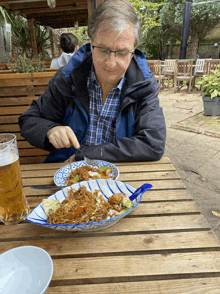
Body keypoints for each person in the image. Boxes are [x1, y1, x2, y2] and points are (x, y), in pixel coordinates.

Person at [19, 0, 166, 164]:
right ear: (90, 44)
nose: (111, 63)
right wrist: (50, 130)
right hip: (67, 174)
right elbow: (29, 119)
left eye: (122, 53)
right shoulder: (69, 78)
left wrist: (85, 155)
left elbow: (153, 143)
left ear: (133, 51)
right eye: (103, 50)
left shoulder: (143, 85)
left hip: (119, 178)